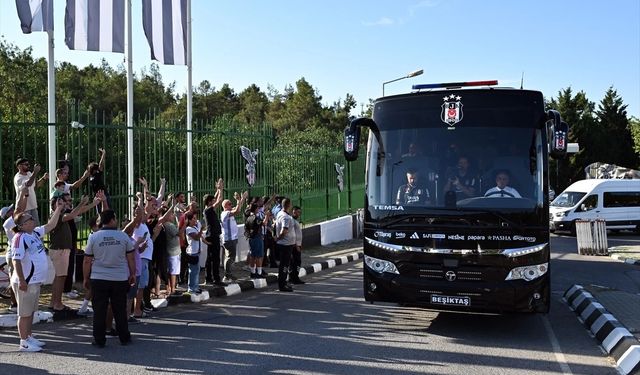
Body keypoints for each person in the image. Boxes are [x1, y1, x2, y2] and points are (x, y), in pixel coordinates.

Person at [11, 200, 65, 352]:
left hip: (35, 281)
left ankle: (29, 336)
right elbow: (16, 261)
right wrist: (22, 280)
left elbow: (50, 225)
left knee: (31, 311)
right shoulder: (19, 238)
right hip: (26, 282)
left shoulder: (33, 233)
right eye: (29, 219)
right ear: (22, 225)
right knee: (24, 313)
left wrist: (59, 209)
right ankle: (24, 342)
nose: (33, 219)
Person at [82, 209, 136, 348]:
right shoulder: (123, 237)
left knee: (99, 309)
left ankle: (99, 339)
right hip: (119, 278)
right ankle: (124, 337)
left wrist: (86, 277)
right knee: (119, 308)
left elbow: (87, 260)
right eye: (115, 218)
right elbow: (130, 258)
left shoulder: (94, 237)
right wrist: (132, 274)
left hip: (99, 278)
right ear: (112, 220)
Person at [220, 191, 248, 283]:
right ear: (225, 206)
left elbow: (237, 207)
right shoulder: (225, 214)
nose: (231, 205)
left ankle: (229, 274)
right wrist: (239, 200)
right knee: (229, 257)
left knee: (231, 257)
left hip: (232, 238)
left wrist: (241, 199)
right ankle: (227, 275)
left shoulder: (229, 212)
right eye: (229, 204)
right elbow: (237, 210)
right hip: (229, 239)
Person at [13, 157, 48, 226]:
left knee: (36, 228)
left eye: (28, 164)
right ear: (19, 166)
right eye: (26, 164)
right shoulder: (18, 178)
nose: (28, 166)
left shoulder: (29, 173)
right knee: (27, 228)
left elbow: (36, 185)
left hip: (33, 206)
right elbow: (28, 184)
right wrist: (35, 172)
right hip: (24, 208)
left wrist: (43, 178)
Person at [203, 179, 225, 286]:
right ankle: (215, 278)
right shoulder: (208, 210)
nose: (214, 201)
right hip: (212, 236)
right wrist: (220, 189)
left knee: (211, 258)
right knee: (214, 258)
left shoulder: (208, 210)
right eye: (212, 200)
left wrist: (217, 189)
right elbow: (219, 200)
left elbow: (216, 198)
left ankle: (209, 278)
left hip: (212, 235)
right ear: (209, 202)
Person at [274, 198, 295, 292]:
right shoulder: (286, 217)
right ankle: (282, 284)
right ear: (289, 205)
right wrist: (278, 238)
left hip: (286, 244)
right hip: (285, 244)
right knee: (284, 265)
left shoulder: (280, 214)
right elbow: (284, 231)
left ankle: (284, 282)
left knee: (285, 264)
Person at [245, 201, 269, 279]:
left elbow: (246, 229)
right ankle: (258, 273)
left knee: (253, 255)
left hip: (251, 238)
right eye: (258, 208)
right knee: (258, 256)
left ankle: (253, 272)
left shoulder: (248, 218)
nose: (259, 209)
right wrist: (267, 216)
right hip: (257, 238)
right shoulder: (256, 218)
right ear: (255, 209)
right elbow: (264, 223)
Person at [289, 206, 305, 285]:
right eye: (296, 212)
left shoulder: (295, 221)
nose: (298, 214)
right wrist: (296, 245)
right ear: (293, 212)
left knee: (295, 262)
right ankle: (294, 277)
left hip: (298, 244)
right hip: (294, 246)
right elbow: (292, 234)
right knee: (296, 262)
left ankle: (293, 277)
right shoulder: (292, 221)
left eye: (299, 212)